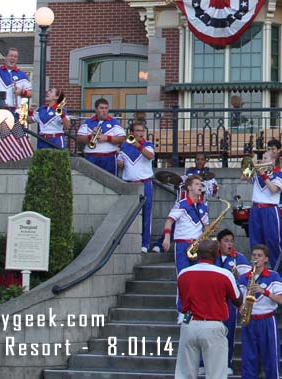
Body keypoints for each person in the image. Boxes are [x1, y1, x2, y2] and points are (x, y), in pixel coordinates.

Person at [174, 238, 241, 379]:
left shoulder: (183, 273)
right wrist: (235, 280)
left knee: (185, 374)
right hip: (212, 325)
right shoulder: (224, 274)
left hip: (189, 324)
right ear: (217, 254)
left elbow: (182, 298)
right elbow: (237, 300)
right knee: (216, 375)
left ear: (197, 254)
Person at [161, 175, 210, 321]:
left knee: (199, 278)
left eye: (201, 184)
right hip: (183, 244)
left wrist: (208, 238)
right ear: (189, 187)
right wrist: (167, 237)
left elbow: (206, 226)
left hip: (198, 245)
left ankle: (196, 309)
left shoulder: (203, 206)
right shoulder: (181, 204)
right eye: (196, 184)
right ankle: (182, 310)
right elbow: (169, 221)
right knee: (183, 277)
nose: (200, 186)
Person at [239, 243, 282, 379]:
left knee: (271, 357)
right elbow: (238, 299)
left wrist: (263, 291)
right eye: (254, 255)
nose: (256, 258)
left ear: (266, 259)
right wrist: (240, 307)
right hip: (249, 320)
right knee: (248, 358)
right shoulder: (244, 278)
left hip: (267, 320)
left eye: (259, 256)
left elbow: (280, 300)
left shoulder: (273, 276)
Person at [215, 229, 251, 369]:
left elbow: (249, 279)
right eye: (226, 241)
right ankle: (203, 363)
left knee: (228, 332)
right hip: (214, 300)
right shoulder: (213, 257)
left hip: (230, 301)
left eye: (231, 241)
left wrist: (238, 278)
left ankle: (226, 363)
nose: (229, 244)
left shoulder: (239, 258)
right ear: (219, 244)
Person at [118, 121, 156, 252]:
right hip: (129, 184)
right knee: (128, 214)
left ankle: (145, 244)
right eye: (138, 131)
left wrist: (138, 146)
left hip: (145, 183)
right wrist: (119, 160)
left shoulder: (148, 145)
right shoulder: (124, 146)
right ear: (132, 133)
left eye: (142, 131)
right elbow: (120, 164)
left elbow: (150, 156)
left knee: (146, 213)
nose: (140, 133)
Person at [248, 145, 282, 267]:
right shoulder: (257, 172)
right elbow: (243, 177)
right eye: (262, 158)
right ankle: (256, 269)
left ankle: (278, 269)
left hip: (270, 210)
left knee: (273, 241)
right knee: (255, 241)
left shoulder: (280, 174)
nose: (262, 160)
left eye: (265, 158)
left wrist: (264, 175)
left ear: (272, 161)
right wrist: (250, 166)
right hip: (256, 209)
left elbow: (273, 189)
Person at [75, 98, 126, 173]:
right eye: (101, 108)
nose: (104, 111)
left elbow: (122, 139)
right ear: (96, 109)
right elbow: (79, 139)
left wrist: (107, 138)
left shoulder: (114, 122)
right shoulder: (88, 122)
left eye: (106, 108)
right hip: (91, 157)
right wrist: (90, 136)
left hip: (109, 158)